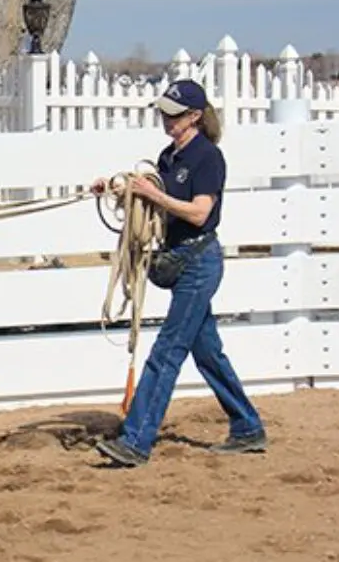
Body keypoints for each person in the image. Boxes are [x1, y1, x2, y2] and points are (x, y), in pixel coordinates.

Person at [89, 78, 267, 468]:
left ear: (195, 117)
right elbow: (154, 196)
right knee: (207, 353)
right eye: (164, 114)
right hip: (182, 260)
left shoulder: (207, 158)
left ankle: (136, 441)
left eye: (174, 115)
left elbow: (200, 213)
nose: (166, 121)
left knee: (168, 351)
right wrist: (117, 189)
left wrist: (154, 196)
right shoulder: (169, 157)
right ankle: (247, 425)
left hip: (198, 263)